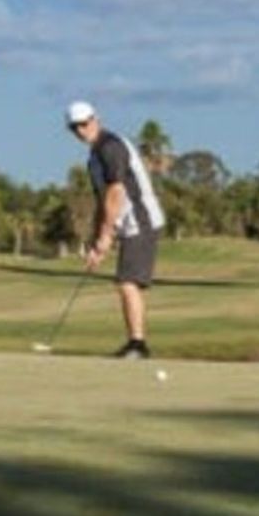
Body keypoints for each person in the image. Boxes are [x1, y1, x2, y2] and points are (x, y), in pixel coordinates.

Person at [65, 100, 165, 359]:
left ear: (96, 119)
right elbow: (103, 201)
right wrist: (96, 243)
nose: (80, 130)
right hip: (128, 223)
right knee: (126, 282)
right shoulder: (95, 156)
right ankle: (136, 343)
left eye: (84, 124)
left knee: (127, 282)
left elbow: (116, 193)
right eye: (74, 127)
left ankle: (137, 344)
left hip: (141, 220)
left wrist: (106, 235)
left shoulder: (111, 147)